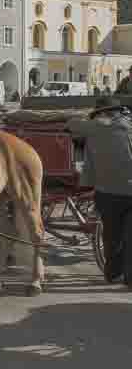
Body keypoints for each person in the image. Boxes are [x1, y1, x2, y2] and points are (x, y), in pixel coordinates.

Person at [66, 97, 132, 287]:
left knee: (112, 237)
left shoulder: (93, 127)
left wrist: (84, 116)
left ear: (101, 113)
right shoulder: (128, 124)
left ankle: (112, 274)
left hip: (107, 192)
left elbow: (71, 124)